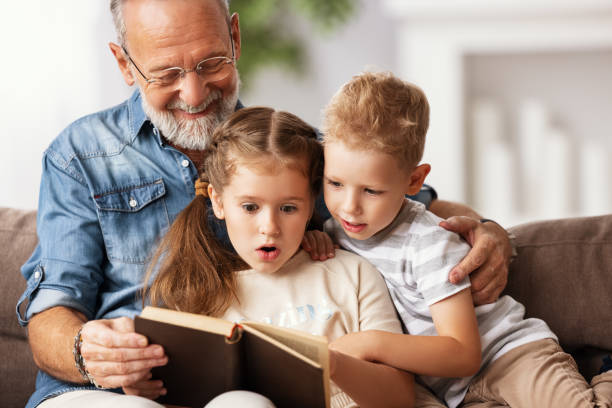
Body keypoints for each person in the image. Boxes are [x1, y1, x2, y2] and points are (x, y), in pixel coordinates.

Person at [16, 0, 511, 407]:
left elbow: (399, 199)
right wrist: (93, 354)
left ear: (235, 37)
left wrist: (487, 229)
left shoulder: (290, 151)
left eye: (212, 62)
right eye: (167, 73)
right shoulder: (80, 155)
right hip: (103, 391)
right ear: (125, 64)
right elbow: (50, 315)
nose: (194, 92)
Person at [316, 71, 612, 407]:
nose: (349, 207)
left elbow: (463, 353)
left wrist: (369, 344)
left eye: (371, 190)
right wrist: (316, 240)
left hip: (509, 356)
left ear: (414, 180)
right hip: (454, 391)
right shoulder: (335, 232)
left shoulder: (428, 242)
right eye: (335, 183)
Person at [143, 106, 414, 407]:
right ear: (218, 202)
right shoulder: (196, 294)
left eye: (288, 208)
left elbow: (400, 398)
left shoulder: (353, 275)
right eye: (250, 208)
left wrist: (331, 364)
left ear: (311, 205)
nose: (269, 228)